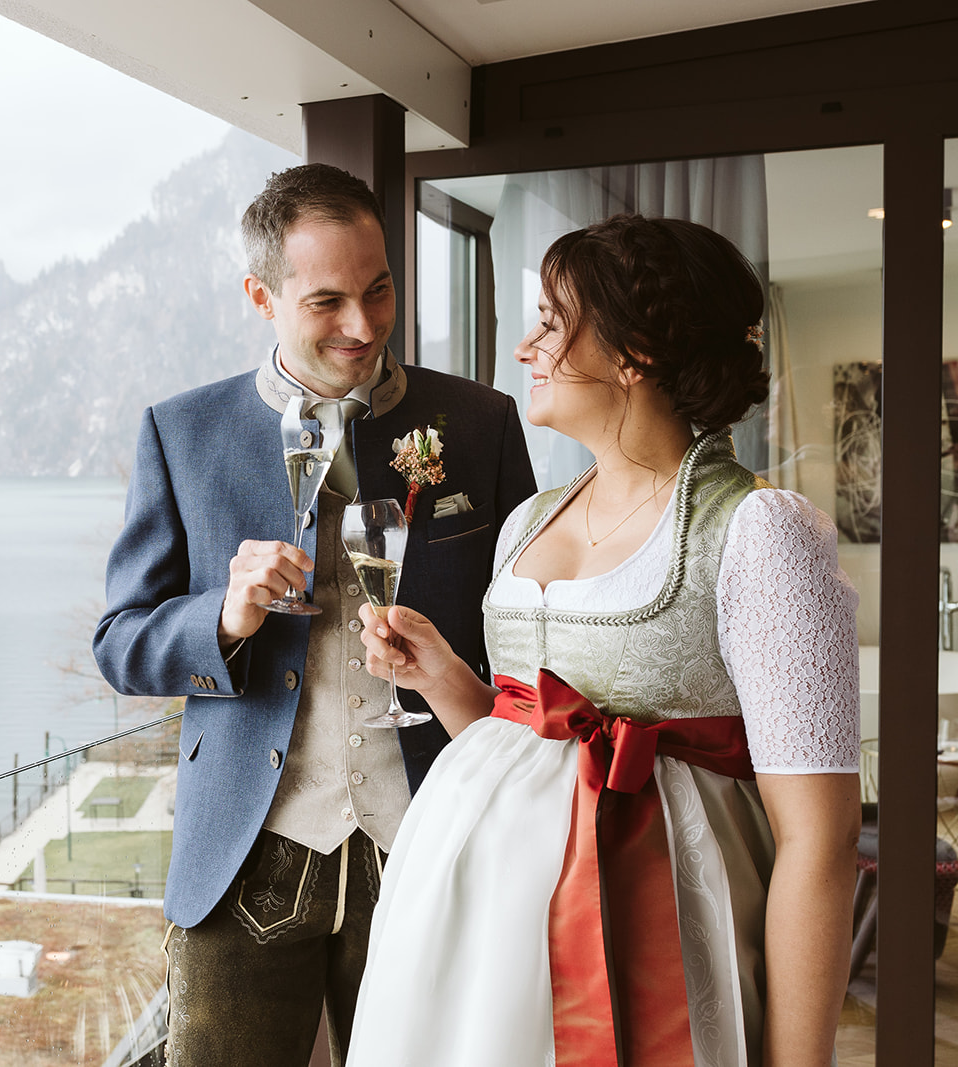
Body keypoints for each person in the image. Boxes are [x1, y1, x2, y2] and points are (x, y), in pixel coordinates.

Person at [346, 214, 860, 1066]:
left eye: (551, 319)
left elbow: (822, 838)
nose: (525, 346)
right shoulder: (527, 521)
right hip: (471, 956)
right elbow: (526, 744)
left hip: (648, 941)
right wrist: (442, 678)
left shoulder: (759, 532)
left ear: (635, 353)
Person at [92, 162, 535, 1065]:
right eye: (328, 300)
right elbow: (120, 645)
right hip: (245, 856)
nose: (365, 326)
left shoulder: (480, 423)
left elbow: (527, 634)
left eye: (379, 291)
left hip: (430, 842)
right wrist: (223, 616)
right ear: (261, 293)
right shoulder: (182, 433)